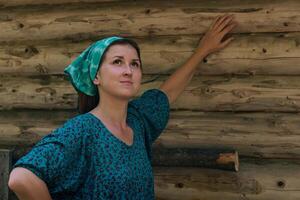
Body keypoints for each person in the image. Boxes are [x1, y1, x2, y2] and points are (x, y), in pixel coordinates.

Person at [8, 14, 237, 200]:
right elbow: (21, 178)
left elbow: (167, 93)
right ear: (96, 76)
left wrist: (203, 51)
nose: (128, 70)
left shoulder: (138, 121)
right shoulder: (83, 129)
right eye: (117, 62)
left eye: (134, 64)